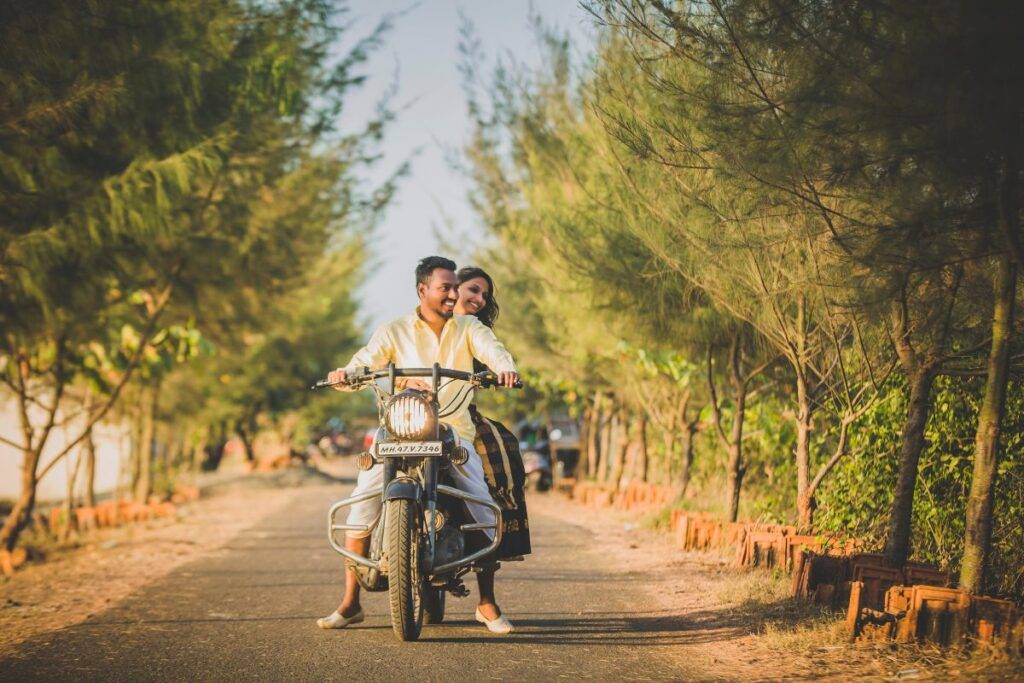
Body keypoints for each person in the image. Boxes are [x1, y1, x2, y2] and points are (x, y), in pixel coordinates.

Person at [317, 256, 519, 634]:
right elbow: (365, 362)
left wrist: (504, 368)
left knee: (482, 504)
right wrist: (345, 374)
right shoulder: (393, 330)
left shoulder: (468, 327)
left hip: (451, 430)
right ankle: (350, 603)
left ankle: (487, 603)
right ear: (422, 289)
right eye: (446, 287)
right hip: (398, 428)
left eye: (454, 288)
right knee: (362, 501)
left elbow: (494, 350)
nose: (453, 294)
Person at [454, 266, 532, 565]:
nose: (480, 299)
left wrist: (504, 369)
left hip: (458, 416)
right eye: (473, 289)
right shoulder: (412, 327)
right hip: (410, 418)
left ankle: (490, 572)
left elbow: (494, 351)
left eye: (485, 295)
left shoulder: (474, 329)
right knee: (370, 481)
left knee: (500, 452)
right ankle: (352, 595)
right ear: (450, 288)